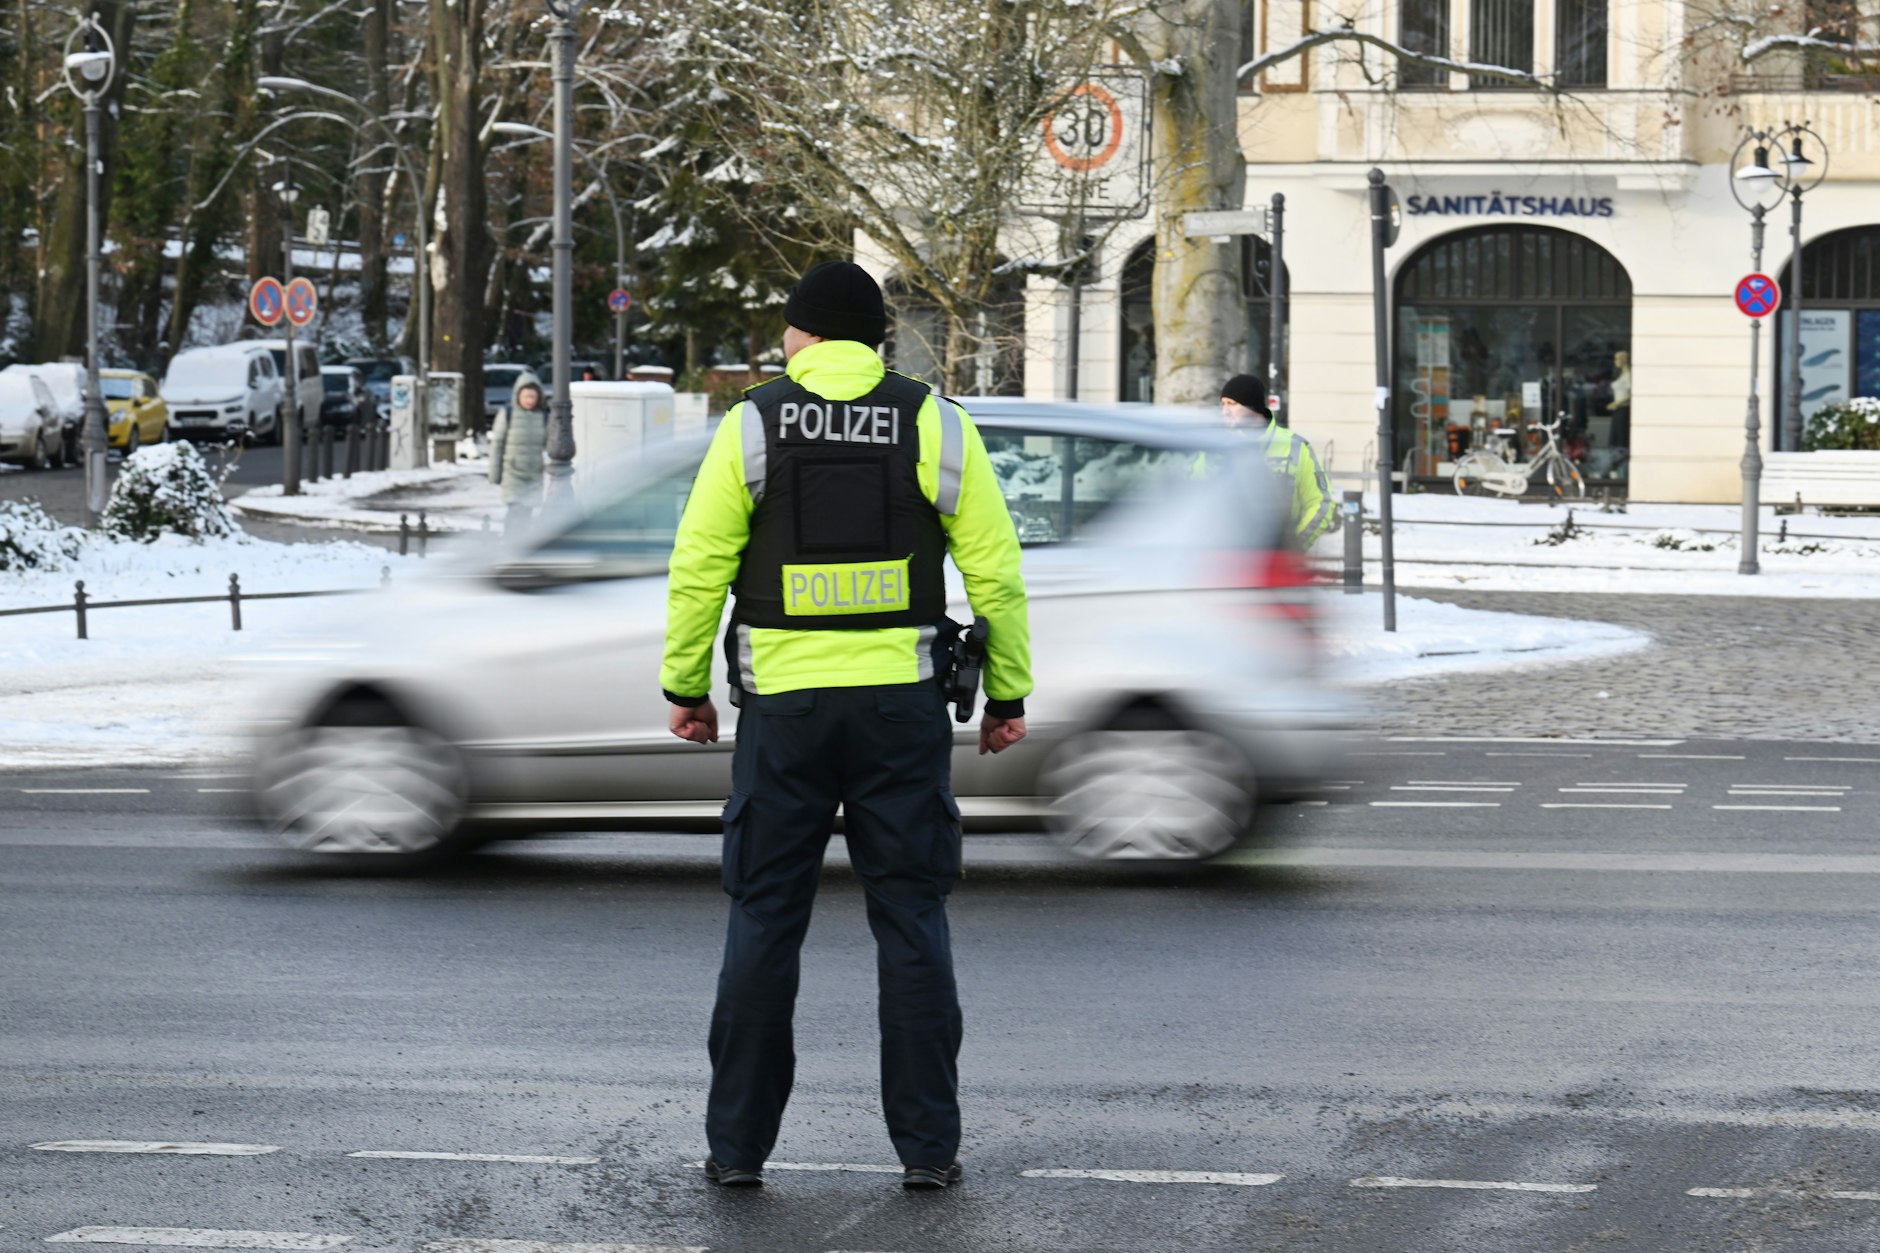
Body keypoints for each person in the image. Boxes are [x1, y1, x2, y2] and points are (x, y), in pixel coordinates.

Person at [661, 260, 1031, 1192]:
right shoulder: (934, 420)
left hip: (784, 715)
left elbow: (700, 565)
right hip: (902, 710)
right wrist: (1008, 695)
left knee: (763, 920)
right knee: (911, 917)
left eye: (789, 329)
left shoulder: (754, 422)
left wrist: (686, 686)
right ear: (874, 339)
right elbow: (994, 567)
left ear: (805, 334)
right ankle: (929, 1149)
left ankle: (737, 1149)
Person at [1219, 373, 1335, 547]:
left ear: (1253, 406)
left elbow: (1320, 503)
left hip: (1276, 558)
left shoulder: (1295, 446)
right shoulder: (1218, 447)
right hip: (1225, 558)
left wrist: (1294, 548)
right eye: (1223, 404)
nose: (1225, 411)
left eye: (1232, 403)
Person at [487, 371, 547, 535]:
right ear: (518, 395)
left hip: (534, 474)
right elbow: (497, 444)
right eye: (526, 396)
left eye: (533, 397)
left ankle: (521, 542)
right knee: (515, 510)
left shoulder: (543, 417)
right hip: (513, 473)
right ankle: (510, 540)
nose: (529, 401)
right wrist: (495, 474)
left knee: (527, 513)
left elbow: (548, 443)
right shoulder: (508, 414)